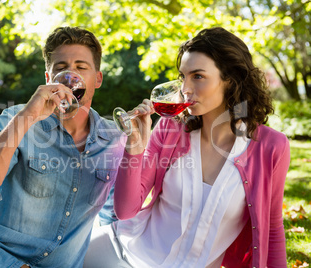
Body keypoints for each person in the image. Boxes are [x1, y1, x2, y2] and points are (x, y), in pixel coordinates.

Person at [84, 27, 290, 268]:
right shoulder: (170, 129)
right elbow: (125, 210)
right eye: (183, 76)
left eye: (198, 76)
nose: (185, 89)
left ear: (230, 80)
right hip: (122, 255)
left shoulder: (271, 147)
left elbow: (272, 229)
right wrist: (135, 148)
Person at [0, 26, 126, 268]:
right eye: (61, 68)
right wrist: (27, 116)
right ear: (48, 78)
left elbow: (116, 218)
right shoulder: (15, 118)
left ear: (98, 78)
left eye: (81, 67)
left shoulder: (115, 139)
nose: (71, 76)